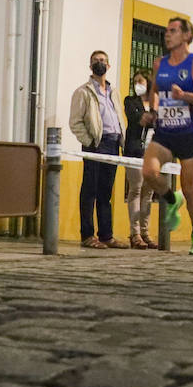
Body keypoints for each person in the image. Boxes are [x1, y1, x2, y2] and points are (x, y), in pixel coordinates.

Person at [141, 17, 193, 255]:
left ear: (186, 36)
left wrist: (186, 96)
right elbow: (154, 93)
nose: (167, 35)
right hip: (164, 131)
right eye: (166, 31)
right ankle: (172, 199)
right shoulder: (159, 64)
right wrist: (152, 112)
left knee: (190, 188)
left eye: (173, 31)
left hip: (189, 132)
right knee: (148, 172)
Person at [69, 50, 130, 250]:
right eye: (95, 61)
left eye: (103, 60)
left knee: (105, 192)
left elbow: (117, 116)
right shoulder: (83, 92)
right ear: (90, 66)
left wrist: (122, 139)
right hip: (96, 144)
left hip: (113, 145)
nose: (99, 63)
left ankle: (106, 235)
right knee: (89, 190)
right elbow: (76, 122)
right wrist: (90, 141)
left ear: (109, 66)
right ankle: (87, 235)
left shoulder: (114, 92)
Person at [123, 69, 156, 249]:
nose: (137, 85)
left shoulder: (156, 103)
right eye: (135, 81)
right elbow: (138, 118)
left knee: (148, 193)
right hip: (135, 151)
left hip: (153, 153)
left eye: (141, 81)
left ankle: (145, 232)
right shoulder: (130, 101)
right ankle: (134, 233)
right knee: (135, 189)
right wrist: (148, 117)